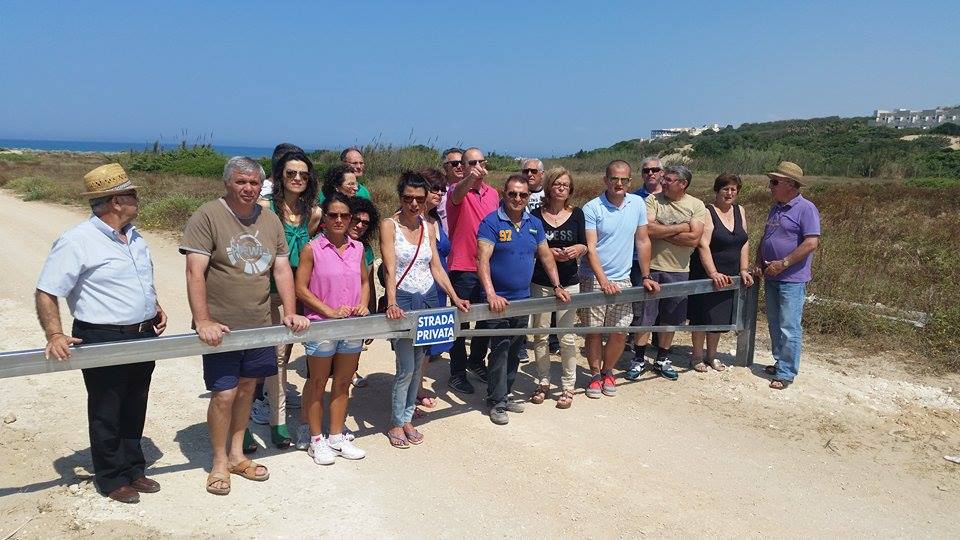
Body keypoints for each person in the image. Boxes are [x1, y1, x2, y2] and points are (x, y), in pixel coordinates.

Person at [35, 163, 167, 504]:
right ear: (115, 202)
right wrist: (54, 333)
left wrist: (155, 305)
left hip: (141, 334)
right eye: (132, 194)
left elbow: (138, 279)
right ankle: (110, 477)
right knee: (107, 408)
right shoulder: (77, 240)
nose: (138, 199)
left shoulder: (135, 236)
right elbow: (47, 290)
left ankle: (133, 467)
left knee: (135, 403)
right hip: (101, 335)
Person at [181, 157, 310, 496]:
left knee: (247, 389)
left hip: (258, 324)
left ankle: (238, 455)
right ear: (227, 183)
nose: (248, 189)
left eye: (254, 183)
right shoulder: (207, 216)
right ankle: (219, 460)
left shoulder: (270, 221)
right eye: (241, 182)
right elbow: (195, 272)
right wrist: (203, 319)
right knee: (223, 393)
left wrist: (290, 312)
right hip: (221, 327)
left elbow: (282, 270)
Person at [381, 172, 469, 446]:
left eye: (419, 199)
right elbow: (389, 267)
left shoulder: (429, 225)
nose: (414, 204)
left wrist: (453, 296)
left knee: (420, 364)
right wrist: (392, 301)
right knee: (406, 366)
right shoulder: (389, 225)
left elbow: (436, 266)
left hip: (429, 296)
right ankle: (396, 422)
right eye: (408, 198)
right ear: (400, 198)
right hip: (405, 297)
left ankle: (407, 417)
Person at [478, 175, 571, 424]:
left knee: (515, 350)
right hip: (499, 302)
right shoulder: (491, 223)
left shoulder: (534, 223)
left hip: (523, 299)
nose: (518, 199)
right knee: (499, 351)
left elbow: (546, 256)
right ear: (504, 194)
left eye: (523, 195)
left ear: (529, 197)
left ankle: (506, 394)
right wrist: (490, 294)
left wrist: (557, 285)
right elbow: (483, 261)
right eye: (512, 194)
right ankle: (496, 401)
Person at [247, 150, 321, 448]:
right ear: (280, 177)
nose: (297, 179)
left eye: (303, 174)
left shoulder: (313, 212)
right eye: (291, 173)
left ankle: (273, 414)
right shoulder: (265, 208)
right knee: (258, 354)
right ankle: (258, 415)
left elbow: (305, 254)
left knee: (281, 355)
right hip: (263, 291)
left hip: (294, 293)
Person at [295, 192, 372, 463]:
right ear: (324, 219)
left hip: (351, 326)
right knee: (317, 383)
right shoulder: (312, 249)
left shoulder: (358, 248)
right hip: (321, 327)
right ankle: (317, 439)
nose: (339, 220)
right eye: (333, 215)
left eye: (344, 215)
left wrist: (363, 304)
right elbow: (300, 288)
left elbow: (365, 281)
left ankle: (336, 436)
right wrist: (327, 311)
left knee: (342, 382)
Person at [580, 160, 660, 399]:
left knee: (619, 331)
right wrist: (602, 280)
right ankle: (594, 375)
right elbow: (591, 248)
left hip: (624, 277)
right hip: (594, 277)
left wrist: (646, 275)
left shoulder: (637, 203)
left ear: (630, 182)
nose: (619, 183)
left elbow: (643, 240)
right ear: (606, 180)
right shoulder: (592, 207)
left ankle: (608, 371)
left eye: (624, 179)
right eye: (614, 178)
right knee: (594, 331)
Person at [627, 165, 706, 381]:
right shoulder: (652, 200)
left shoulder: (697, 206)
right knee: (645, 316)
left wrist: (663, 230)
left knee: (670, 318)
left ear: (683, 184)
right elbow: (648, 230)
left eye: (669, 179)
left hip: (679, 270)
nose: (663, 182)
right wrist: (681, 226)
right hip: (650, 267)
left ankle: (662, 357)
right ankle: (639, 358)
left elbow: (694, 239)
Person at [757, 161, 821, 390]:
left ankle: (786, 371)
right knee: (775, 322)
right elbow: (766, 237)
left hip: (791, 278)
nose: (770, 186)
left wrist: (783, 263)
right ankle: (780, 361)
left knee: (789, 325)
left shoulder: (806, 208)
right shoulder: (775, 208)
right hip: (771, 275)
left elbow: (811, 242)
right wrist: (758, 261)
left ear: (791, 185)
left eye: (775, 182)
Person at [529, 167, 587, 409]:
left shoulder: (577, 214)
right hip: (541, 281)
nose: (562, 188)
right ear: (549, 187)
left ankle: (568, 385)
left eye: (566, 184)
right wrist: (546, 251)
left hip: (570, 280)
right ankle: (543, 381)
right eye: (557, 184)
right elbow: (528, 244)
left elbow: (585, 243)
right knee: (540, 335)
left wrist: (578, 249)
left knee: (567, 335)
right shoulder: (534, 214)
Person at [445, 147, 499, 394]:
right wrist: (470, 178)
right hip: (463, 266)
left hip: (488, 266)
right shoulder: (457, 191)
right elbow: (457, 195)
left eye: (480, 161)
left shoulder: (494, 194)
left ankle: (476, 361)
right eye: (470, 163)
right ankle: (456, 372)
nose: (476, 165)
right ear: (463, 167)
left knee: (487, 319)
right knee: (461, 323)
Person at [688, 173, 754, 372]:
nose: (730, 193)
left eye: (734, 189)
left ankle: (712, 355)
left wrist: (744, 268)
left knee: (719, 317)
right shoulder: (708, 211)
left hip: (730, 274)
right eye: (725, 188)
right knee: (702, 316)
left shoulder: (739, 210)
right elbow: (703, 244)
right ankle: (697, 356)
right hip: (707, 272)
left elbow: (744, 241)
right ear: (717, 190)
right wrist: (713, 273)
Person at [628, 156, 665, 359]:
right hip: (636, 258)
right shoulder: (632, 198)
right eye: (646, 170)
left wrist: (658, 229)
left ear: (662, 172)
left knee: (662, 302)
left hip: (663, 258)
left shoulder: (670, 197)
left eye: (654, 169)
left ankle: (658, 342)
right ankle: (635, 342)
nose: (650, 173)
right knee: (639, 303)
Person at [420, 167, 453, 372]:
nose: (440, 193)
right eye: (435, 188)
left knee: (429, 347)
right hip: (420, 291)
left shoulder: (436, 219)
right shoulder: (405, 221)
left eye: (442, 189)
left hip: (439, 288)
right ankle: (409, 392)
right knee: (415, 345)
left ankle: (419, 385)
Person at [347, 196, 380, 389]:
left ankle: (352, 370)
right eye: (356, 220)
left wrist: (372, 312)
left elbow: (369, 282)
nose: (360, 225)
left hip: (358, 304)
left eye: (365, 223)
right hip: (331, 306)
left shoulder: (366, 249)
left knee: (356, 342)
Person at [437, 147, 465, 234]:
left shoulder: (473, 190)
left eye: (462, 163)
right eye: (455, 164)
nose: (459, 166)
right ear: (445, 167)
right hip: (444, 242)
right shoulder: (437, 190)